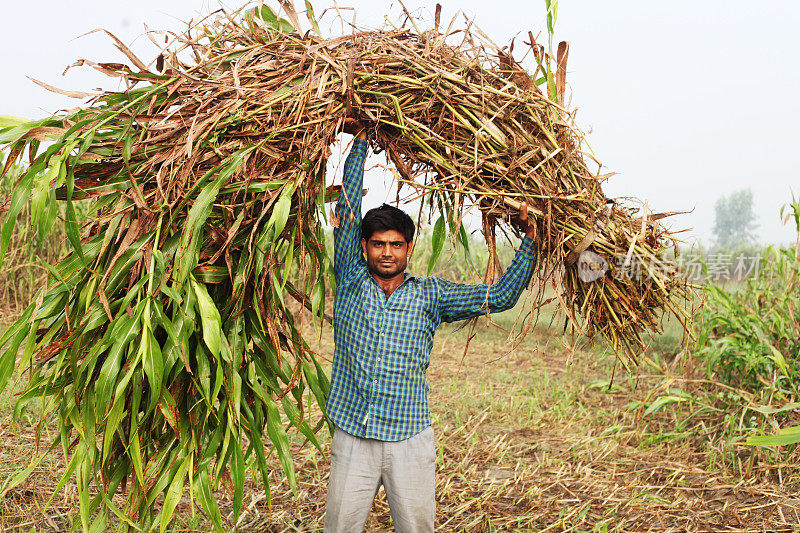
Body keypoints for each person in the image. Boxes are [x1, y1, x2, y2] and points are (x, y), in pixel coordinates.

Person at [324, 119, 539, 532]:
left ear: (409, 247)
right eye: (378, 244)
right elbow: (349, 209)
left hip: (409, 440)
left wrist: (529, 243)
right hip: (353, 437)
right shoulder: (350, 279)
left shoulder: (431, 295)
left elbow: (501, 297)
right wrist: (363, 140)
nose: (387, 253)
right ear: (365, 247)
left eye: (396, 244)